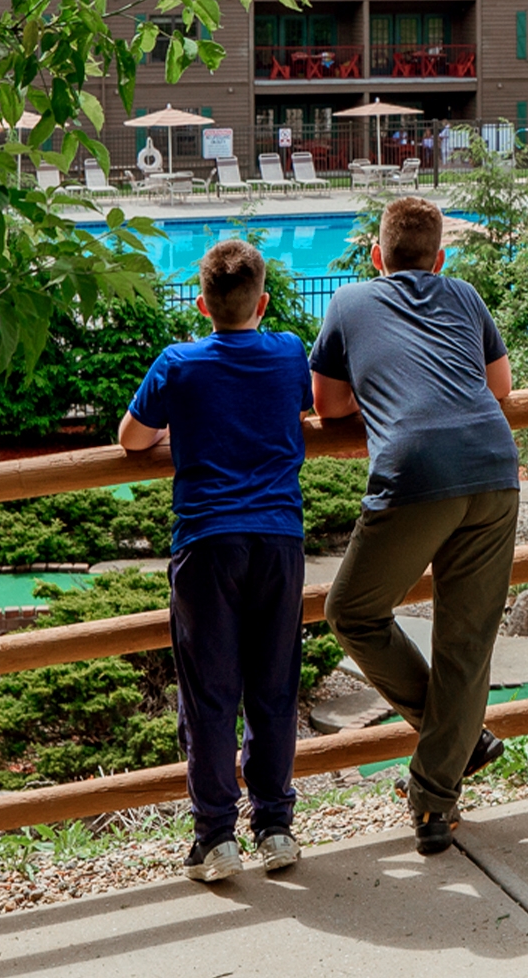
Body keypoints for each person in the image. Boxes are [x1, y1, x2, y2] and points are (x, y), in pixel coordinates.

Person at [312, 196, 517, 854]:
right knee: (465, 642)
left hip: (414, 472)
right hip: (491, 466)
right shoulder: (464, 294)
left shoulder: (348, 303)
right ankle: (436, 797)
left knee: (351, 610)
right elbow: (502, 389)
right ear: (440, 256)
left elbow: (330, 403)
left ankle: (456, 744)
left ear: (377, 256)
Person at [117, 239, 314, 882]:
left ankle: (215, 839)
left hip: (206, 544)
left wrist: (183, 430)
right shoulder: (288, 352)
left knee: (210, 692)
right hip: (279, 539)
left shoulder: (179, 363)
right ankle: (276, 826)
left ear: (202, 304)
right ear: (264, 301)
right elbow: (302, 404)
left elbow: (131, 439)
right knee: (275, 685)